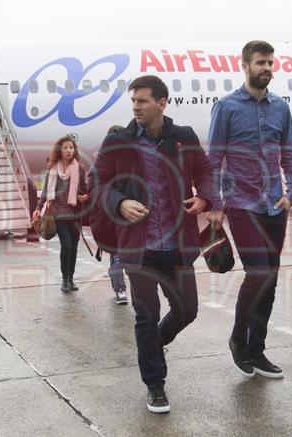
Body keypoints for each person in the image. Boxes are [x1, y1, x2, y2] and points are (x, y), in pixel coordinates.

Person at [88, 75, 212, 414]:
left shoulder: (183, 138)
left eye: (143, 101)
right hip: (138, 247)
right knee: (146, 314)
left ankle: (152, 348)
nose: (136, 107)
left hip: (178, 244)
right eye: (133, 102)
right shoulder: (118, 143)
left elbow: (205, 171)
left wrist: (205, 197)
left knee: (187, 311)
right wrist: (119, 202)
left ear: (161, 102)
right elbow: (96, 183)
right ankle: (155, 385)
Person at [207, 40, 292, 379]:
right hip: (242, 203)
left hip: (275, 204)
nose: (267, 68)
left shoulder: (281, 109)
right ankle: (237, 339)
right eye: (260, 62)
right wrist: (216, 203)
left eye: (270, 63)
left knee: (270, 279)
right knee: (258, 273)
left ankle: (257, 349)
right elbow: (214, 159)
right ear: (244, 65)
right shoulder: (227, 107)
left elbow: (291, 151)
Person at [33, 135, 88, 293]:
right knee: (67, 245)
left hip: (75, 213)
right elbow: (45, 191)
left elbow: (84, 189)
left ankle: (71, 278)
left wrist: (85, 196)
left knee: (75, 247)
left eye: (71, 148)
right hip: (59, 213)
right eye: (65, 148)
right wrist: (38, 207)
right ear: (60, 150)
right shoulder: (53, 169)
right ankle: (65, 279)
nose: (69, 151)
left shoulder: (80, 169)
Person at [105, 124, 128, 305]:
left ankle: (120, 287)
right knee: (117, 256)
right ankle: (120, 288)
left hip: (128, 217)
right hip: (113, 218)